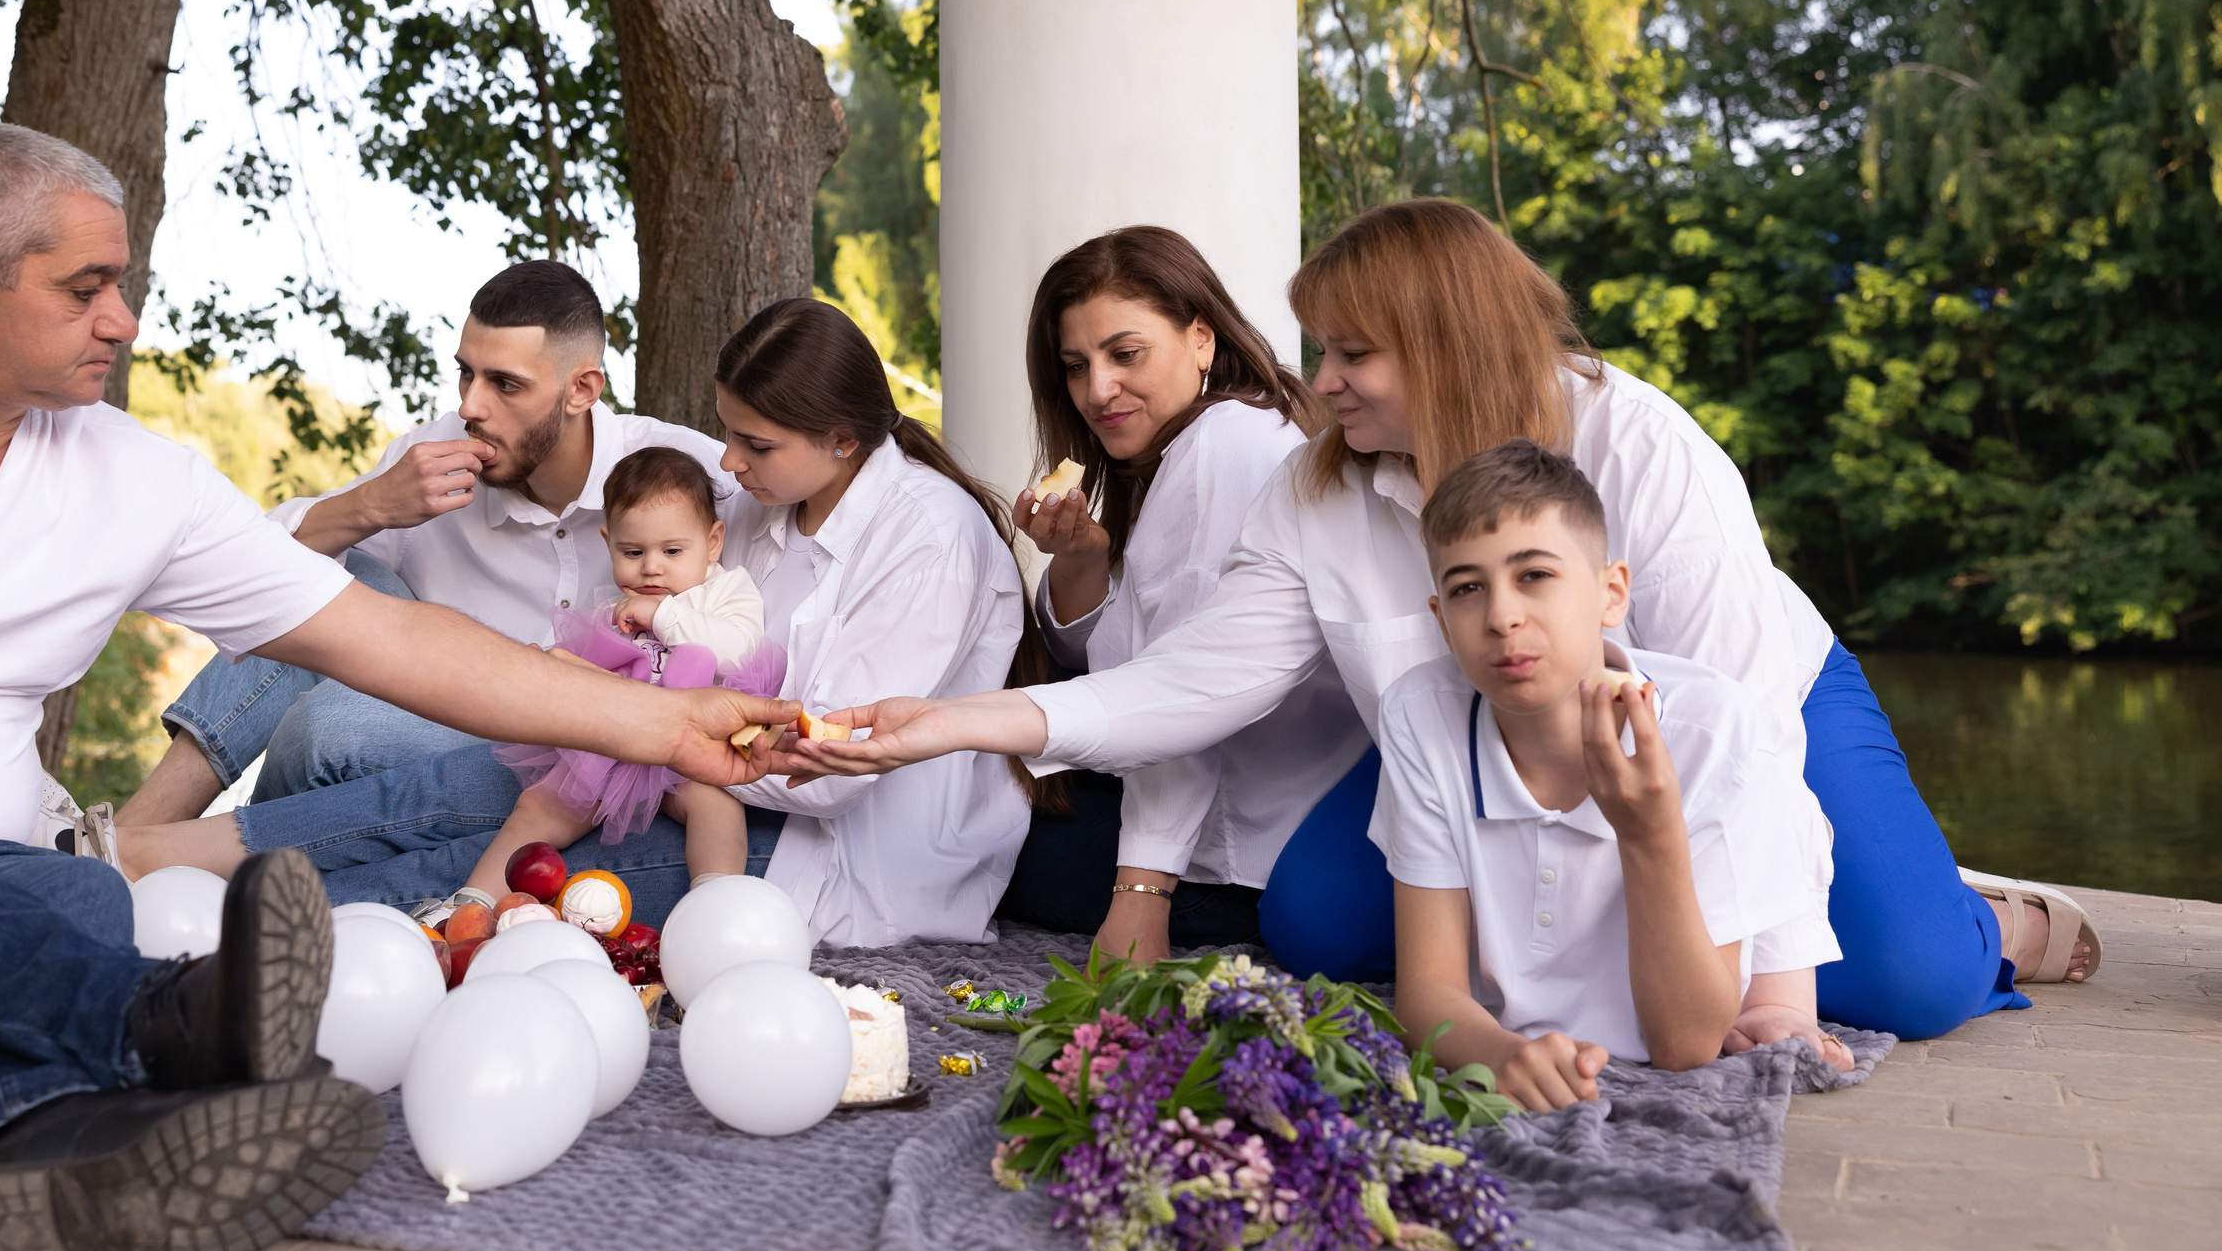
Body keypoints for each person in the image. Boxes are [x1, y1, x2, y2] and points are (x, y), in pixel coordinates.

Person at [0, 125, 794, 1251]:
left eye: (123, 287)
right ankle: (168, 1025)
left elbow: (386, 635)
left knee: (72, 895)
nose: (123, 321)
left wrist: (668, 723)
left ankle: (45, 1169)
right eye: (85, 288)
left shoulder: (119, 476)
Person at [789, 198, 2094, 1041]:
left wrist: (1769, 980)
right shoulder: (1320, 487)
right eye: (1321, 348)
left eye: (1355, 353)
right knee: (1315, 921)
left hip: (1740, 715)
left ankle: (1977, 909)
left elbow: (1732, 731)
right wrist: (944, 723)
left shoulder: (1637, 442)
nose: (1322, 379)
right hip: (1483, 740)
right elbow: (1192, 680)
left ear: (1450, 338)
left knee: (1904, 979)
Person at [119, 299, 1035, 946]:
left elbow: (834, 771)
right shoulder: (758, 505)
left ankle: (219, 918)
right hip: (685, 770)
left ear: (842, 439)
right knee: (481, 785)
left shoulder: (927, 535)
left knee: (483, 858)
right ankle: (154, 851)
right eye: (727, 433)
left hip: (823, 861)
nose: (727, 459)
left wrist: (641, 734)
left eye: (754, 443)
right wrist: (623, 722)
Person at [119, 262, 733, 824]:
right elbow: (255, 571)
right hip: (432, 713)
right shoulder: (429, 456)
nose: (471, 405)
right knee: (325, 572)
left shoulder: (683, 471)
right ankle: (138, 828)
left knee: (327, 731)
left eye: (506, 385)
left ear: (582, 390)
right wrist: (372, 505)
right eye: (466, 373)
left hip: (567, 758)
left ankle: (214, 875)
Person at [1379, 443, 1852, 1112]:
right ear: (1441, 621)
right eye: (1467, 587)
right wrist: (1501, 1053)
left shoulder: (1710, 728)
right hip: (1590, 999)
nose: (1502, 616)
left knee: (1914, 981)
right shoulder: (1418, 712)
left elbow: (1686, 1044)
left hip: (1763, 877)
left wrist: (1649, 830)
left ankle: (2009, 920)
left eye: (1534, 574)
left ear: (1611, 593)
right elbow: (1427, 988)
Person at [999, 227, 1367, 964]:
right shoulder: (1214, 439)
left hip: (1240, 850)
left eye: (1125, 354)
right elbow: (1107, 655)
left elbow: (1183, 692)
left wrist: (1142, 897)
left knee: (978, 838)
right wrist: (1083, 558)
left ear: (1202, 338)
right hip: (1231, 811)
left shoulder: (1221, 449)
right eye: (1077, 366)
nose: (1098, 389)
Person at [471, 445, 779, 903]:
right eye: (632, 551)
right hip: (613, 749)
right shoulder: (613, 607)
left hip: (695, 750)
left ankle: (717, 902)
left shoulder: (725, 591)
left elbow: (737, 649)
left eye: (673, 550)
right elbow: (592, 674)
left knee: (718, 805)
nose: (651, 567)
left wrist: (662, 614)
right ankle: (472, 903)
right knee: (537, 805)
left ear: (713, 541)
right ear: (607, 541)